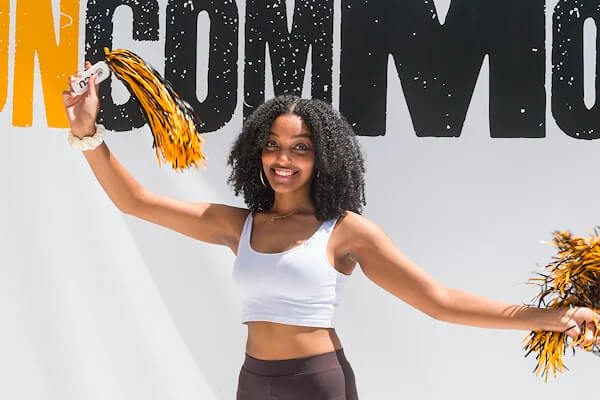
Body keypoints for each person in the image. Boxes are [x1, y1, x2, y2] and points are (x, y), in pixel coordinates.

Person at [63, 63, 600, 400]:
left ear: (325, 158)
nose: (283, 159)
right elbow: (134, 201)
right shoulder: (238, 225)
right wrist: (87, 129)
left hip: (318, 384)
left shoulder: (345, 233)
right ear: (256, 151)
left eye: (301, 148)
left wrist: (552, 318)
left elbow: (439, 300)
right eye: (272, 144)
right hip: (253, 383)